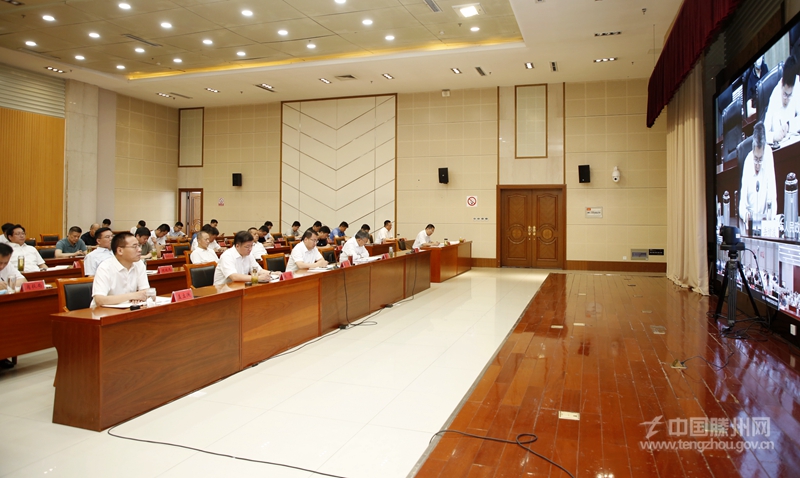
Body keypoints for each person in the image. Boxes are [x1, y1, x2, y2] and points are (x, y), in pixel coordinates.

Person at [91, 232, 150, 307]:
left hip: (128, 309)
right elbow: (99, 300)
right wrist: (132, 296)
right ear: (120, 251)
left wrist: (139, 296)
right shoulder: (105, 267)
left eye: (138, 246)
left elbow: (145, 291)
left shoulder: (139, 264)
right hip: (103, 311)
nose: (140, 249)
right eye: (134, 246)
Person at [739, 122, 778, 227]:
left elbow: (772, 195)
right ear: (752, 150)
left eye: (760, 159)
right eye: (756, 159)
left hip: (765, 222)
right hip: (751, 222)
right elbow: (742, 205)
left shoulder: (768, 155)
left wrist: (771, 220)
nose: (757, 164)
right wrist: (747, 216)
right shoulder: (748, 161)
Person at [764, 56, 800, 143]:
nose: (786, 99)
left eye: (790, 95)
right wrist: (773, 136)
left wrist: (789, 125)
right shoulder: (774, 96)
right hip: (778, 145)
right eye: (785, 94)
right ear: (782, 84)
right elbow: (764, 132)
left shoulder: (797, 85)